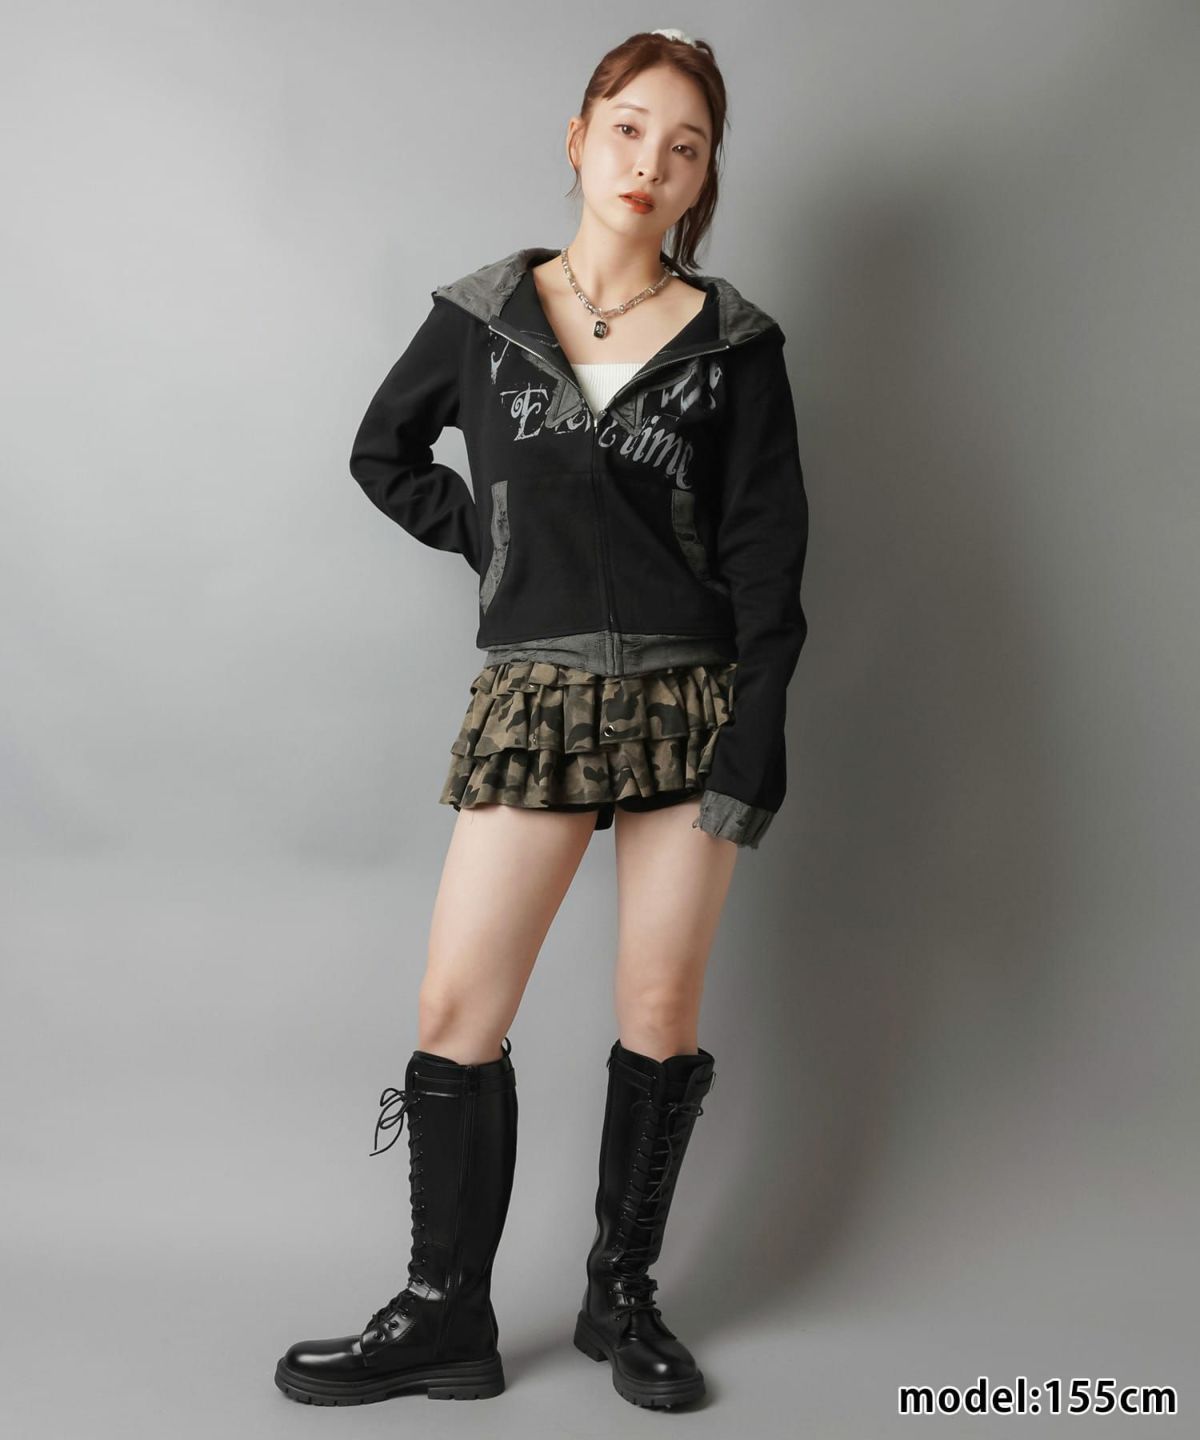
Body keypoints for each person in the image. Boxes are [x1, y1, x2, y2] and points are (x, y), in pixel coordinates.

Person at [273, 24, 809, 1414]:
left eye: (684, 147)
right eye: (629, 129)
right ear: (579, 138)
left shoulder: (737, 346)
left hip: (692, 697)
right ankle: (445, 1312)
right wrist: (491, 540)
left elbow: (769, 562)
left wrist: (757, 734)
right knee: (458, 1005)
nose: (650, 163)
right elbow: (383, 451)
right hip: (538, 698)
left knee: (659, 1006)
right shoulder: (484, 314)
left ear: (703, 178)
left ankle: (621, 1297)